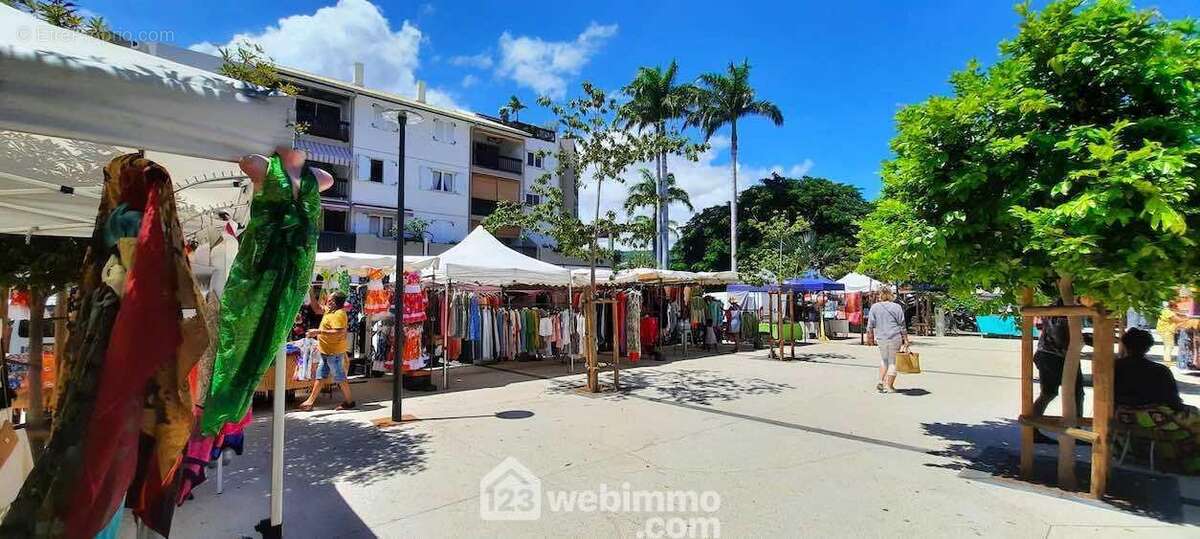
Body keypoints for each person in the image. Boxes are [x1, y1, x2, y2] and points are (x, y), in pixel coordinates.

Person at [299, 291, 355, 411]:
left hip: (333, 353)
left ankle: (349, 402)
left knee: (339, 377)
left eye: (329, 299)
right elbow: (316, 308)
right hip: (326, 351)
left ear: (334, 302)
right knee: (320, 376)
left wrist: (317, 332)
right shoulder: (330, 310)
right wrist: (310, 291)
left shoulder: (339, 314)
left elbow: (339, 332)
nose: (327, 300)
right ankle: (310, 402)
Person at [1116, 328, 1185, 410]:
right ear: (1148, 348)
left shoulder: (1114, 366)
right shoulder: (1161, 370)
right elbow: (1172, 398)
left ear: (1125, 345)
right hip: (1153, 414)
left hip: (1120, 410)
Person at [866, 288, 907, 393]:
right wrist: (905, 339)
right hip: (894, 337)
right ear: (891, 295)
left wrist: (869, 337)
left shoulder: (874, 307)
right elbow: (902, 325)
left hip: (881, 338)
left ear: (880, 295)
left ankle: (880, 381)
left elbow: (870, 324)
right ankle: (889, 386)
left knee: (884, 359)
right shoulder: (897, 307)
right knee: (893, 361)